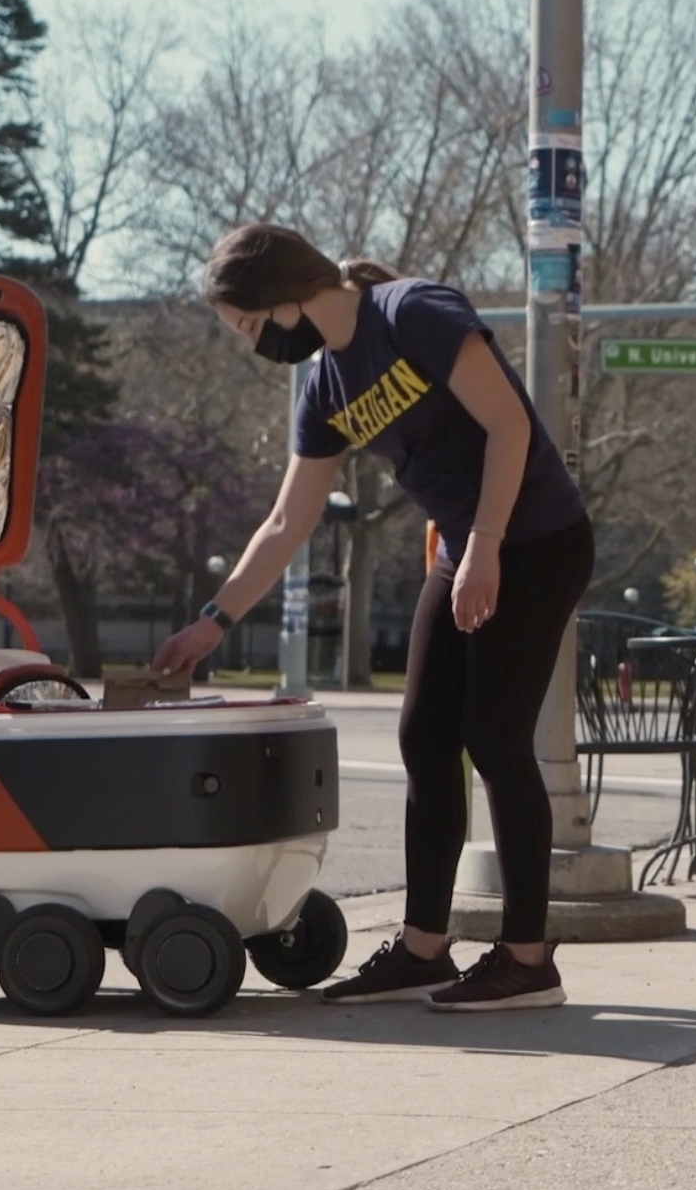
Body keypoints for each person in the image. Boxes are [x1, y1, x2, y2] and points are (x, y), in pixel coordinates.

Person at [153, 223, 592, 1012]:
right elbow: (288, 520)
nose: (255, 344)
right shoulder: (326, 386)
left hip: (536, 538)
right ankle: (425, 947)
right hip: (469, 543)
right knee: (424, 735)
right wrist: (212, 624)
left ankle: (529, 959)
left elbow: (510, 426)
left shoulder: (411, 312)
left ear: (280, 295)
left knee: (495, 738)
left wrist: (487, 545)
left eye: (249, 326)